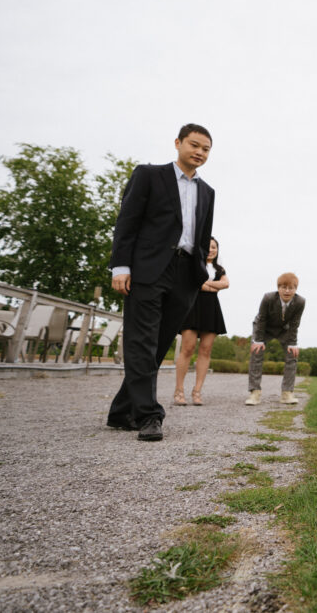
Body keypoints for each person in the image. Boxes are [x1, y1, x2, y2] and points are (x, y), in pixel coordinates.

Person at [106, 123, 215, 441]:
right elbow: (127, 222)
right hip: (147, 270)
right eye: (194, 145)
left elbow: (203, 234)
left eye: (206, 149)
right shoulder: (149, 175)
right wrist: (120, 266)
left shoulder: (207, 192)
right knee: (141, 341)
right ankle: (149, 415)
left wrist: (200, 274)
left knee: (157, 345)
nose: (199, 152)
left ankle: (119, 412)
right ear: (178, 143)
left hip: (185, 276)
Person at [173, 236, 229, 406]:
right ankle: (179, 390)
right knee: (187, 349)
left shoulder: (219, 268)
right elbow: (196, 284)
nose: (212, 249)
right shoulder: (193, 264)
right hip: (192, 307)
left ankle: (197, 391)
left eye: (214, 247)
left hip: (211, 310)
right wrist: (212, 285)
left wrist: (206, 284)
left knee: (206, 350)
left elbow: (226, 284)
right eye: (209, 246)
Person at [245, 273, 305, 405]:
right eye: (284, 287)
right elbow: (261, 319)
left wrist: (293, 343)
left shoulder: (300, 302)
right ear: (278, 288)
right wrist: (258, 341)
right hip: (263, 328)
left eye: (291, 288)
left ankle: (287, 393)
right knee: (256, 353)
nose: (287, 291)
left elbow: (295, 323)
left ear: (296, 289)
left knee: (292, 355)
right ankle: (255, 392)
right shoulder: (268, 298)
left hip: (285, 329)